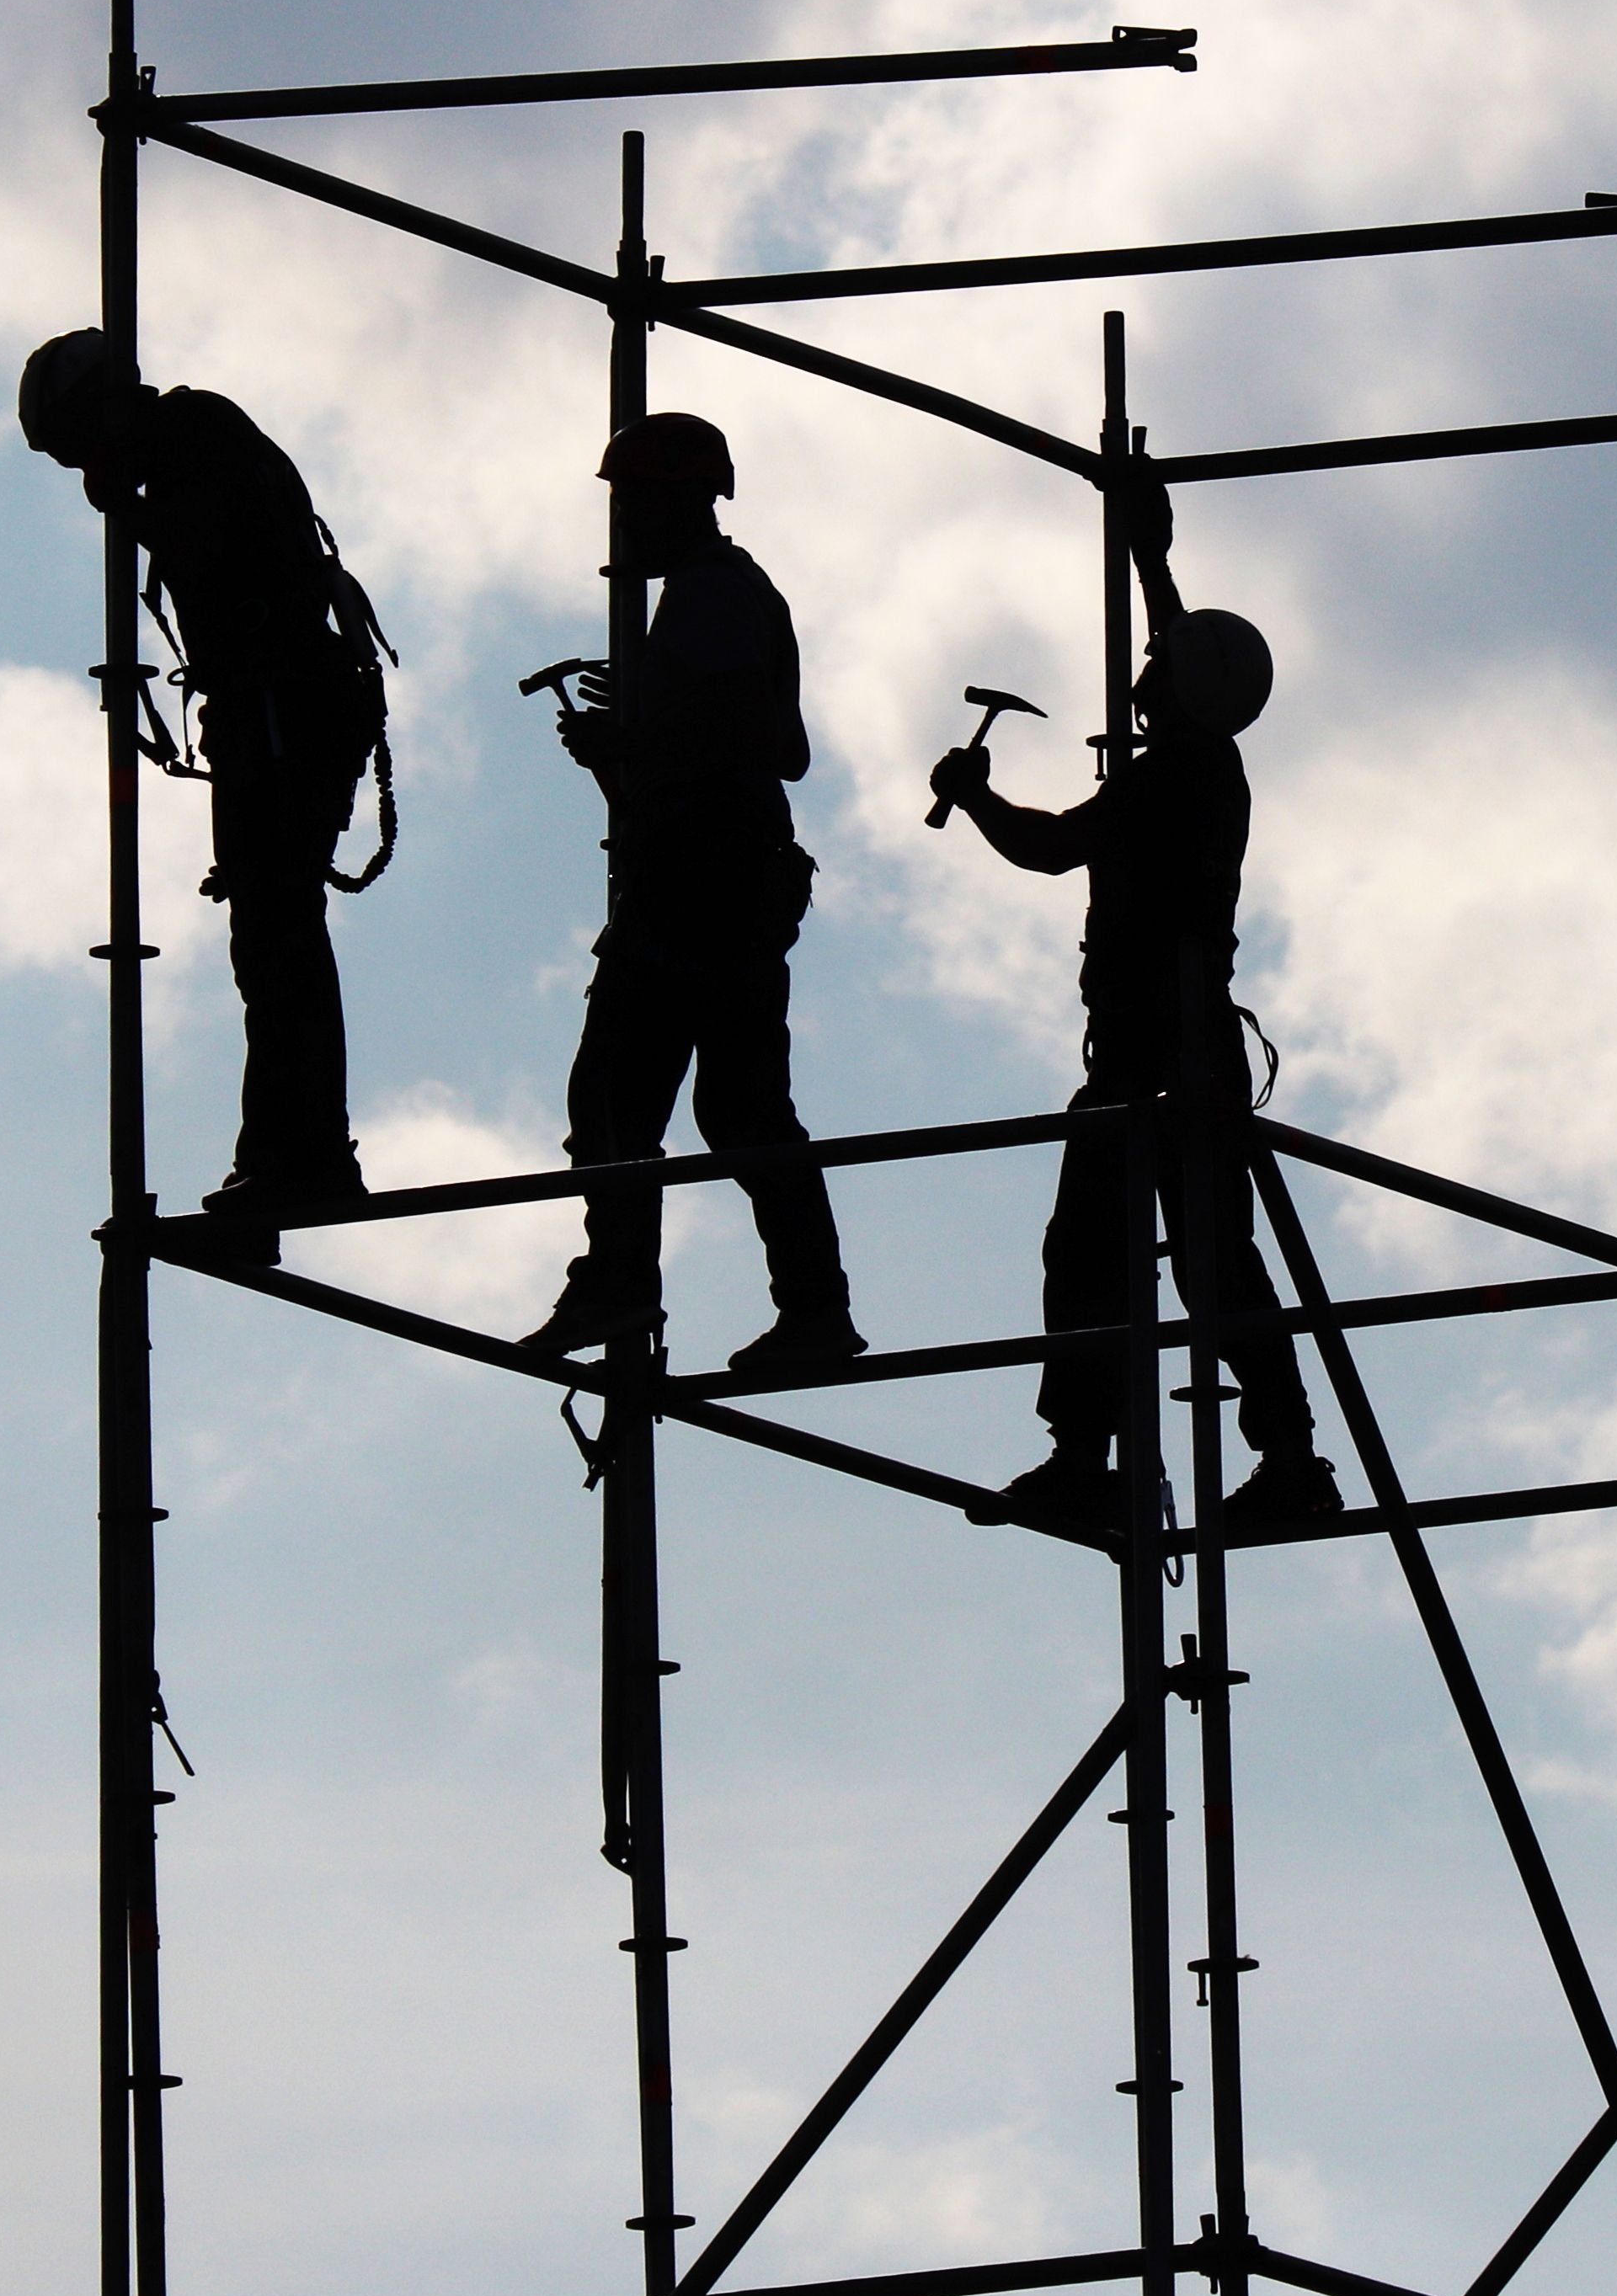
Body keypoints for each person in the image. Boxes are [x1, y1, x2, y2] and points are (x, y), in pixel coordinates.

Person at [926, 480, 1341, 1543]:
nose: (1142, 673)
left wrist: (973, 795)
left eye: (1156, 672)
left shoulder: (1164, 786)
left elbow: (1048, 847)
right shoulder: (1213, 763)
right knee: (1200, 1264)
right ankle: (1276, 1457)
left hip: (1160, 1060)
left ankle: (1091, 1458)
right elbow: (1182, 649)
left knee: (1111, 1258)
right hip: (1176, 1054)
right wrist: (1153, 558)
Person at [515, 413, 861, 1377]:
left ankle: (625, 1283)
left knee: (618, 1098)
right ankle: (812, 1310)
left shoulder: (711, 597)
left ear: (672, 498)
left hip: (705, 886)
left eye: (631, 499)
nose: (620, 521)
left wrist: (639, 740)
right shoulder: (708, 599)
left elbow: (766, 743)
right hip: (720, 879)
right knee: (737, 1110)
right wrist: (626, 754)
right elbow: (711, 755)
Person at [19, 328, 389, 1227]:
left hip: (281, 709)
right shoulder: (194, 438)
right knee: (274, 934)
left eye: (76, 445)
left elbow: (210, 546)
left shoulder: (193, 436)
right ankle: (292, 1152)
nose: (78, 470)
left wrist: (130, 509)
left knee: (277, 935)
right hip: (275, 708)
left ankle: (300, 1154)